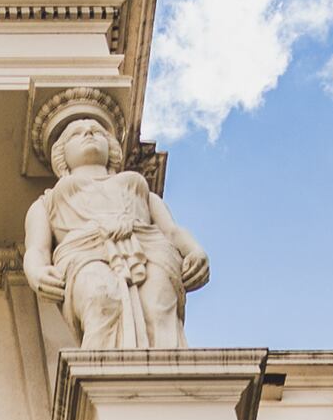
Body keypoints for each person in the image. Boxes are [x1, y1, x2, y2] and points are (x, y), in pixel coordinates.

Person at [22, 103, 209, 352]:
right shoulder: (48, 201)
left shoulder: (137, 187)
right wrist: (36, 271)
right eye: (76, 134)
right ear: (61, 156)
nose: (88, 134)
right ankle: (104, 382)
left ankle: (168, 379)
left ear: (111, 149)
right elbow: (36, 248)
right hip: (85, 256)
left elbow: (171, 231)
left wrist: (194, 250)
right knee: (101, 299)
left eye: (97, 131)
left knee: (158, 306)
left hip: (147, 250)